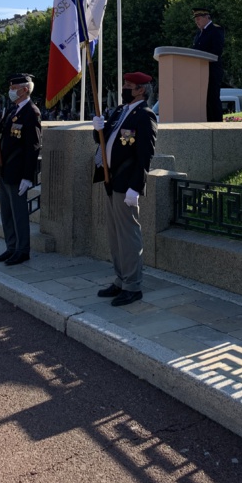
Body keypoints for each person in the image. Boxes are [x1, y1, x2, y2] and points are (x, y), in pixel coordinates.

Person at [92, 72, 158, 307]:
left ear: (141, 90)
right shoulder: (121, 111)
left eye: (129, 85)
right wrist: (97, 128)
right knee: (115, 236)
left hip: (126, 183)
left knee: (128, 237)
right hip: (110, 180)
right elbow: (103, 139)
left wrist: (136, 188)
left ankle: (132, 286)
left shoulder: (145, 116)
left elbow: (145, 155)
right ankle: (120, 280)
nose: (124, 88)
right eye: (124, 84)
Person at [0, 74, 42, 266]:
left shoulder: (31, 112)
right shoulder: (13, 110)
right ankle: (11, 247)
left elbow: (33, 147)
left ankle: (22, 250)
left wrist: (28, 176)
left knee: (19, 213)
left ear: (25, 89)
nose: (11, 91)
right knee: (7, 212)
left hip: (18, 171)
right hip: (4, 168)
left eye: (14, 88)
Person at [192, 8, 225, 122]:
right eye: (195, 19)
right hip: (200, 70)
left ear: (206, 17)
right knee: (204, 100)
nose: (197, 21)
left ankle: (217, 124)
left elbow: (217, 51)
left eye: (198, 18)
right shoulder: (199, 33)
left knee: (213, 98)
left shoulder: (216, 30)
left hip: (212, 70)